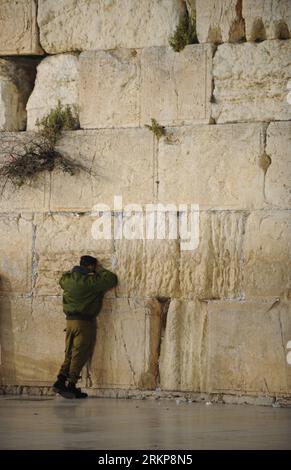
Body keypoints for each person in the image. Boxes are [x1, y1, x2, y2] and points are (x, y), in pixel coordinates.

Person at [53, 255, 118, 399]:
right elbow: (111, 279)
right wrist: (99, 270)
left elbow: (62, 279)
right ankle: (71, 385)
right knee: (79, 353)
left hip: (70, 322)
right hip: (84, 322)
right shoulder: (90, 282)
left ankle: (60, 380)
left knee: (69, 352)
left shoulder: (67, 280)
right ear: (90, 267)